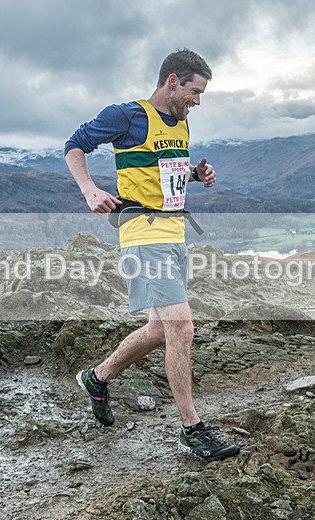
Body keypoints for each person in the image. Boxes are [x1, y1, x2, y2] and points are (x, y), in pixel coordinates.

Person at [64, 48, 239, 462]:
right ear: (173, 81)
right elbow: (74, 145)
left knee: (160, 330)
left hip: (174, 230)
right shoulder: (127, 115)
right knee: (182, 330)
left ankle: (97, 377)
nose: (198, 101)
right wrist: (90, 189)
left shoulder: (180, 122)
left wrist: (196, 175)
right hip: (143, 233)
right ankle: (191, 429)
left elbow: (165, 173)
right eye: (195, 91)